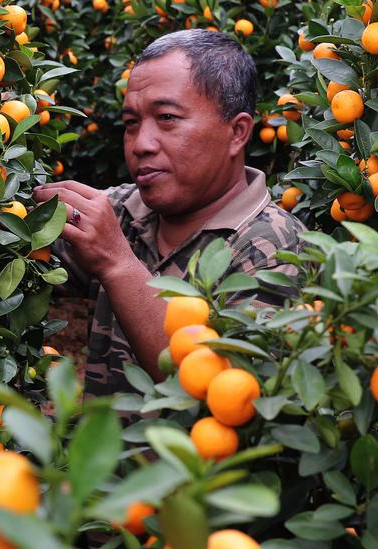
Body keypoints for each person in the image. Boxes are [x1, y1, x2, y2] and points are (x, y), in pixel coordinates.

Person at [32, 29, 306, 398]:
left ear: (237, 132)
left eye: (167, 118)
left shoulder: (278, 249)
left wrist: (116, 264)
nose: (141, 144)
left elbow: (217, 396)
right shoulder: (124, 212)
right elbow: (15, 253)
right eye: (131, 123)